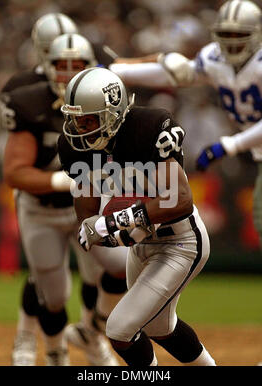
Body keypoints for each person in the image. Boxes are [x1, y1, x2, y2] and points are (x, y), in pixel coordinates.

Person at [109, 0, 262, 366]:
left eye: (239, 35)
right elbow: (175, 75)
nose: (231, 42)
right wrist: (116, 70)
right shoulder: (215, 59)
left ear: (257, 35)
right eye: (226, 35)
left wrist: (229, 144)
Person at [57, 67, 216, 366]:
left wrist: (115, 222)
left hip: (180, 240)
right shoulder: (75, 148)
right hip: (141, 246)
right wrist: (99, 231)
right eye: (76, 120)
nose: (80, 129)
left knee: (119, 329)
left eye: (89, 119)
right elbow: (89, 217)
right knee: (159, 327)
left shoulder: (150, 127)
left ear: (113, 112)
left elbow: (179, 200)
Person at [2, 32, 124, 366]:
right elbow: (15, 173)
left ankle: (93, 331)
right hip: (41, 211)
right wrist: (66, 180)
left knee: (125, 265)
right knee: (55, 297)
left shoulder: (104, 95)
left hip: (86, 208)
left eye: (77, 65)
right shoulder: (29, 102)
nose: (68, 72)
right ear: (47, 66)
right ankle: (55, 352)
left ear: (91, 66)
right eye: (61, 65)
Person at [0, 13, 78, 366]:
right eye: (52, 52)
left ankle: (92, 334)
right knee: (42, 272)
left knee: (103, 268)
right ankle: (26, 336)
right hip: (40, 188)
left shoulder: (92, 81)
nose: (63, 63)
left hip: (84, 192)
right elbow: (17, 154)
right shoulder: (22, 90)